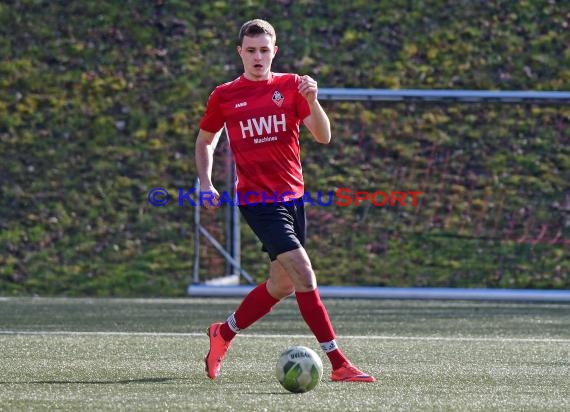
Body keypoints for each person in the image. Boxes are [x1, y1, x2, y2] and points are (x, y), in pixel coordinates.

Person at [195, 18, 375, 383]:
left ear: (274, 52)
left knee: (282, 285)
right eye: (251, 50)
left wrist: (313, 99)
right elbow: (206, 140)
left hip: (294, 198)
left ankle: (223, 332)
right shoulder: (225, 95)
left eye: (264, 50)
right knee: (305, 274)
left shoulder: (293, 86)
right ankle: (339, 362)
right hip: (258, 201)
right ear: (240, 53)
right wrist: (205, 182)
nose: (258, 57)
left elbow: (323, 136)